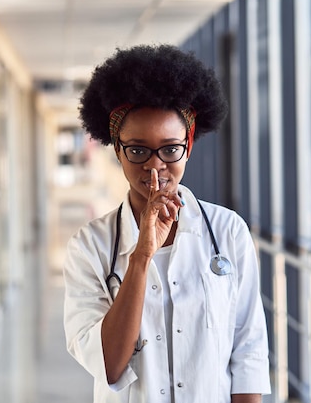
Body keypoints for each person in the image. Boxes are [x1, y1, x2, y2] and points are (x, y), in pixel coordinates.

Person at [63, 44, 271, 403]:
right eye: (138, 150)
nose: (155, 166)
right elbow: (109, 365)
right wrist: (141, 258)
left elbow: (248, 350)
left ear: (188, 146)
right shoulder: (89, 247)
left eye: (170, 149)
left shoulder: (228, 232)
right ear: (118, 150)